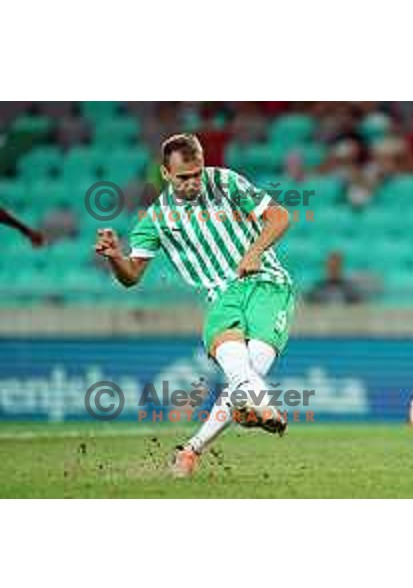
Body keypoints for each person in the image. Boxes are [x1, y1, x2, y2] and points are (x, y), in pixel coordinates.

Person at [95, 133, 295, 477]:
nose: (192, 183)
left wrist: (254, 251)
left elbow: (279, 217)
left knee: (247, 376)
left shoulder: (226, 182)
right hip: (222, 296)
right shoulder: (157, 219)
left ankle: (191, 450)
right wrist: (115, 257)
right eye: (183, 177)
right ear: (165, 174)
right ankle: (261, 408)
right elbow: (132, 277)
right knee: (240, 372)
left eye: (197, 173)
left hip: (269, 286)